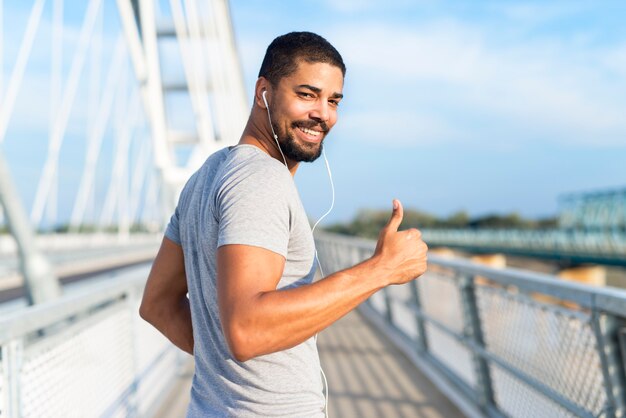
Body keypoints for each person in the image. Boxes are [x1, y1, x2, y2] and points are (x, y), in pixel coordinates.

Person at [139, 31, 428, 417]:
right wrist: (381, 270)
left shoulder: (207, 175)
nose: (323, 113)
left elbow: (156, 304)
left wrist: (227, 366)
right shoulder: (261, 179)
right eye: (306, 94)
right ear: (264, 92)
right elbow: (247, 329)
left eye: (333, 100)